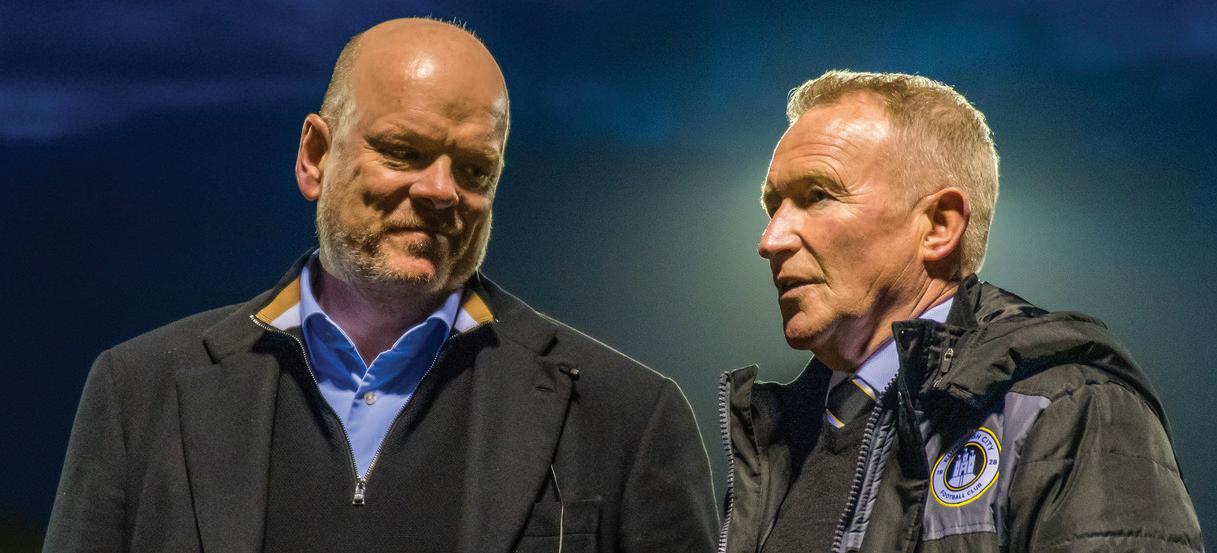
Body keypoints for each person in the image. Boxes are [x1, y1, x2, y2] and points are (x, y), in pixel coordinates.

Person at [46, 18, 717, 553]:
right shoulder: (140, 393)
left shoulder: (627, 415)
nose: (440, 190)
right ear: (315, 156)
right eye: (403, 151)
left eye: (475, 169)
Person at [719, 70, 1203, 552]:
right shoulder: (772, 444)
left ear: (939, 225)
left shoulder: (1067, 408)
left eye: (817, 195)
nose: (770, 240)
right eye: (773, 207)